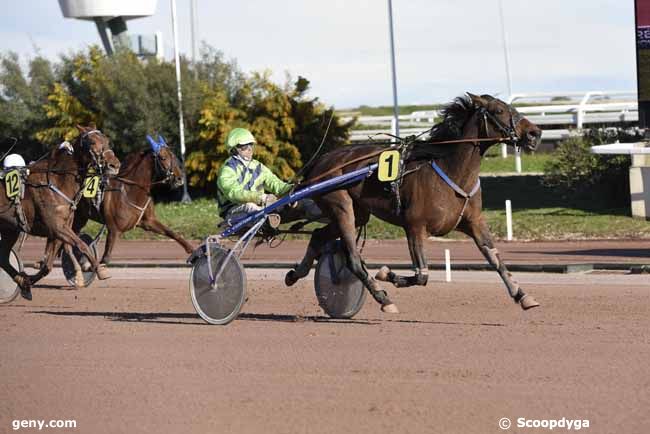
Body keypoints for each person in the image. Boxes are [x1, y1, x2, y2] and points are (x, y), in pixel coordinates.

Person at [217, 128, 292, 227]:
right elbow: (233, 192)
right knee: (250, 206)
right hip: (232, 210)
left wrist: (290, 188)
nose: (249, 149)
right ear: (234, 149)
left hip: (259, 206)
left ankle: (267, 218)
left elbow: (274, 182)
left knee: (272, 204)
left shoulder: (257, 166)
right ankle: (267, 219)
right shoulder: (228, 169)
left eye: (251, 145)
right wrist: (260, 197)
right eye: (244, 146)